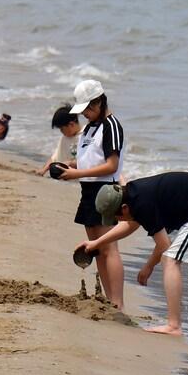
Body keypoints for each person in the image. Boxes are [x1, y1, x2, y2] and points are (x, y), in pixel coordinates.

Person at [82, 172, 188, 341]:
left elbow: (164, 245)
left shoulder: (141, 202)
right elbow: (129, 225)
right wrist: (96, 243)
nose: (116, 220)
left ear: (124, 208)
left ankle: (174, 325)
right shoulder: (134, 194)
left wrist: (148, 267)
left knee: (170, 259)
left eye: (115, 216)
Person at [54, 80, 127, 309]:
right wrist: (70, 164)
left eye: (88, 108)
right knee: (95, 248)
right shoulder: (90, 128)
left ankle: (118, 302)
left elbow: (112, 166)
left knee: (109, 248)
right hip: (88, 190)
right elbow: (91, 159)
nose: (85, 114)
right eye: (83, 109)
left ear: (99, 102)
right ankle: (107, 299)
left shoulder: (111, 126)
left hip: (106, 191)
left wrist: (77, 172)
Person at [35, 106, 80, 175]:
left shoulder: (86, 135)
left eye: (62, 129)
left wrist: (71, 163)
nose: (61, 132)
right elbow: (55, 158)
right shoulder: (65, 138)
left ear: (71, 124)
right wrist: (43, 170)